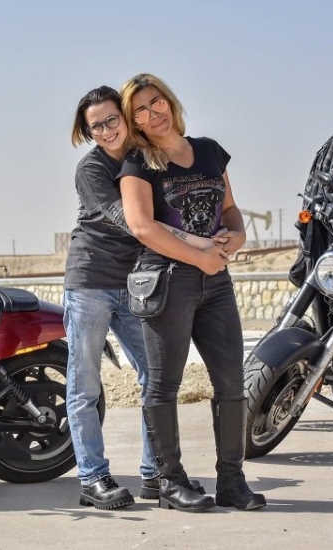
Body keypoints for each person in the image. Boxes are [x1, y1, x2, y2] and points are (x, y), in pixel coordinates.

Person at [118, 73, 267, 513]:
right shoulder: (138, 163)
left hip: (216, 282)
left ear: (169, 101)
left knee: (231, 381)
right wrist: (199, 258)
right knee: (164, 384)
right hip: (167, 281)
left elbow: (229, 209)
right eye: (140, 111)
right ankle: (169, 481)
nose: (152, 114)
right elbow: (142, 227)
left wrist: (237, 236)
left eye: (156, 102)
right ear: (134, 121)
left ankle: (232, 481)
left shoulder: (208, 150)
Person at [65, 85, 214, 510]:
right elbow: (132, 221)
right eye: (96, 127)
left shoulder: (147, 158)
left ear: (126, 117)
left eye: (112, 120)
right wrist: (197, 244)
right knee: (85, 385)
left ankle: (155, 473)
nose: (106, 130)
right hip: (90, 283)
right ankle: (93, 478)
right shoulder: (91, 169)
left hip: (136, 283)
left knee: (156, 376)